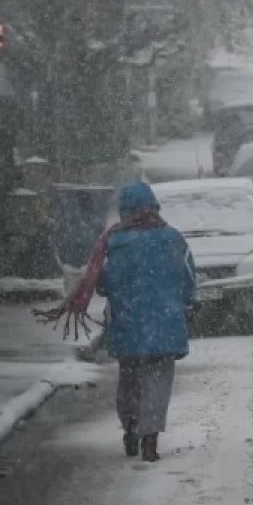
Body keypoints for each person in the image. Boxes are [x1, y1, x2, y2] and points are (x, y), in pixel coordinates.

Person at [97, 182, 195, 462]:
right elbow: (188, 277)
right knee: (158, 382)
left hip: (127, 325)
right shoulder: (174, 238)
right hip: (165, 324)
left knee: (129, 380)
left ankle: (131, 427)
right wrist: (185, 303)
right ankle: (150, 440)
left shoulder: (114, 244)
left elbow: (104, 282)